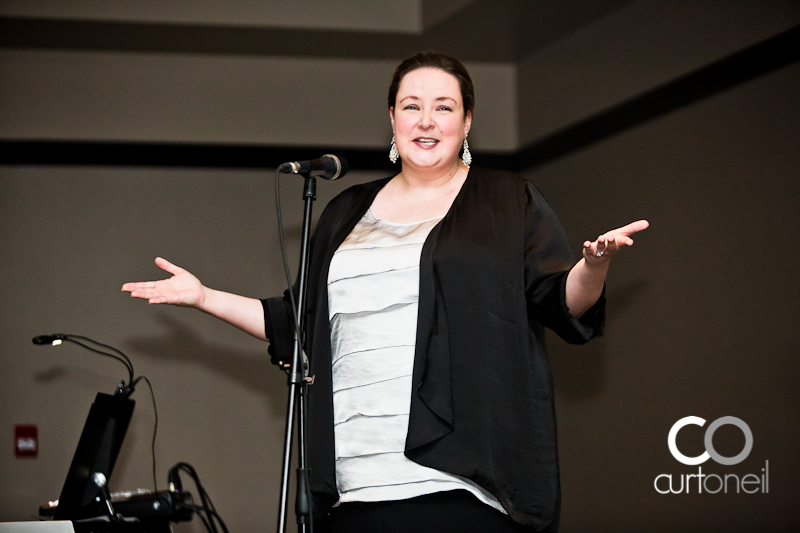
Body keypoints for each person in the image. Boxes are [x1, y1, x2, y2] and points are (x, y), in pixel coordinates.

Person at [123, 52, 648, 532]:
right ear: (392, 119)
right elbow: (295, 323)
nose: (426, 120)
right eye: (411, 105)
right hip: (355, 484)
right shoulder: (345, 210)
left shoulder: (507, 200)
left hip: (462, 480)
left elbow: (559, 302)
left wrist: (593, 267)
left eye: (443, 107)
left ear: (466, 123)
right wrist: (202, 297)